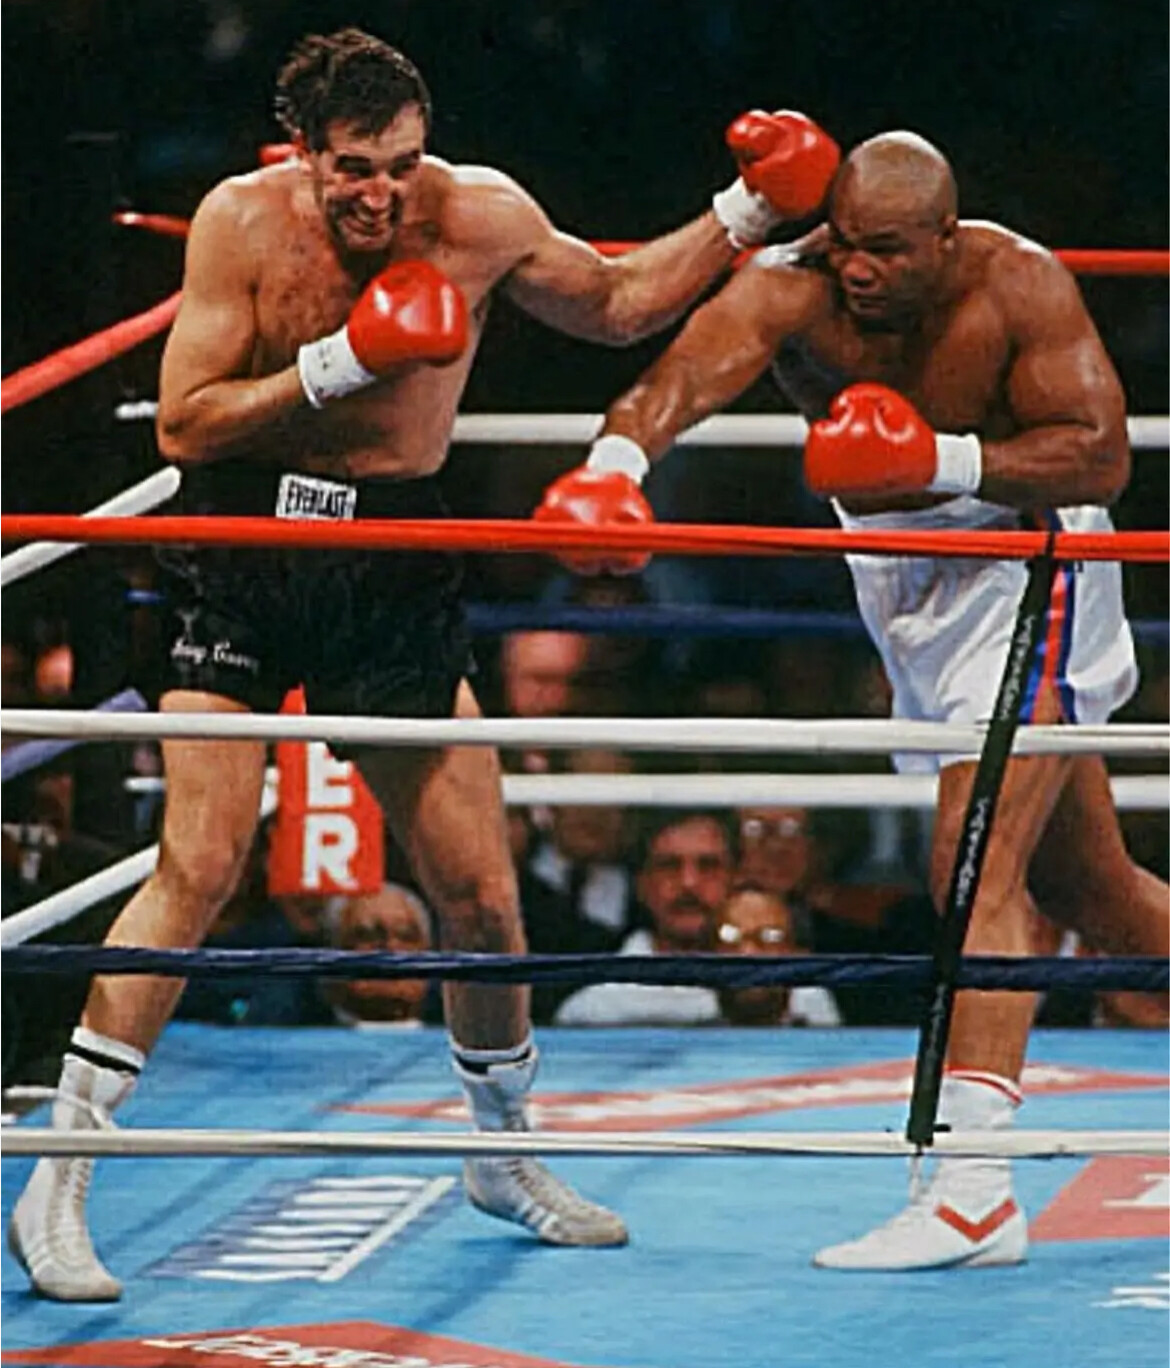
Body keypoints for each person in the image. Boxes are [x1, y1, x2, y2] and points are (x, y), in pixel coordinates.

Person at [8, 27, 842, 1300]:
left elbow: (617, 305)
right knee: (200, 862)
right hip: (239, 548)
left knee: (481, 892)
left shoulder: (478, 216)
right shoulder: (239, 224)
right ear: (303, 152)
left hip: (390, 563)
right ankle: (59, 1181)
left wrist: (747, 209)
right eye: (354, 169)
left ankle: (501, 1152)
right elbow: (183, 421)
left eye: (401, 165)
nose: (381, 196)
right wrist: (346, 359)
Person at [544, 129, 1170, 1269]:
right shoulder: (798, 286)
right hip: (900, 579)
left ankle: (974, 1191)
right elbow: (684, 375)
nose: (860, 270)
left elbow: (1100, 454)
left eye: (887, 249)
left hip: (1029, 567)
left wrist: (937, 461)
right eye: (845, 244)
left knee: (971, 865)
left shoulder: (1016, 282)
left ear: (945, 237)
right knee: (1099, 894)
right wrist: (612, 472)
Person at [555, 810, 735, 1025]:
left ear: (735, 878)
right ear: (642, 884)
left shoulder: (767, 989)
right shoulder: (594, 1010)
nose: (689, 883)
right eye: (669, 866)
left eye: (708, 866)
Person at [715, 883, 840, 1027]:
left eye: (769, 937)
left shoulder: (818, 1019)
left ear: (798, 954)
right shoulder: (692, 1015)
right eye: (730, 937)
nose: (748, 953)